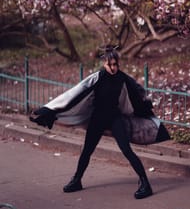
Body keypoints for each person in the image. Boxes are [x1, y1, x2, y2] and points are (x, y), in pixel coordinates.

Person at [30, 46, 170, 199]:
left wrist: (145, 107)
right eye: (111, 64)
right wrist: (48, 110)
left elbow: (137, 93)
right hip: (97, 118)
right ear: (105, 63)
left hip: (115, 118)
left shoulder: (122, 78)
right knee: (87, 150)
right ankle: (76, 181)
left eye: (116, 64)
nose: (114, 68)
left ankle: (145, 184)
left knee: (126, 150)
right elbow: (75, 93)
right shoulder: (97, 77)